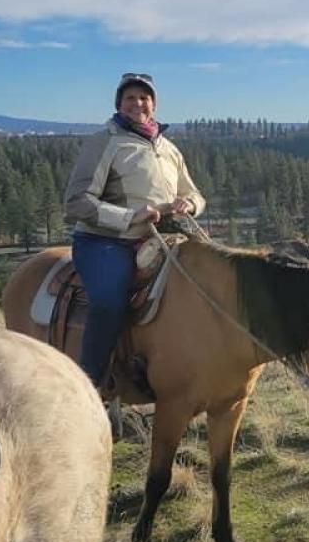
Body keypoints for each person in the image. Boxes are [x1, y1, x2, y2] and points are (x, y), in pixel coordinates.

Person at [64, 72, 206, 387]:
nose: (137, 103)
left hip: (164, 238)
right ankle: (92, 384)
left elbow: (196, 194)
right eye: (130, 97)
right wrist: (131, 216)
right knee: (108, 301)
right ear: (119, 104)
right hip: (106, 242)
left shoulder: (168, 148)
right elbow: (76, 202)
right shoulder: (105, 142)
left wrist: (190, 205)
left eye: (144, 98)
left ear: (153, 105)